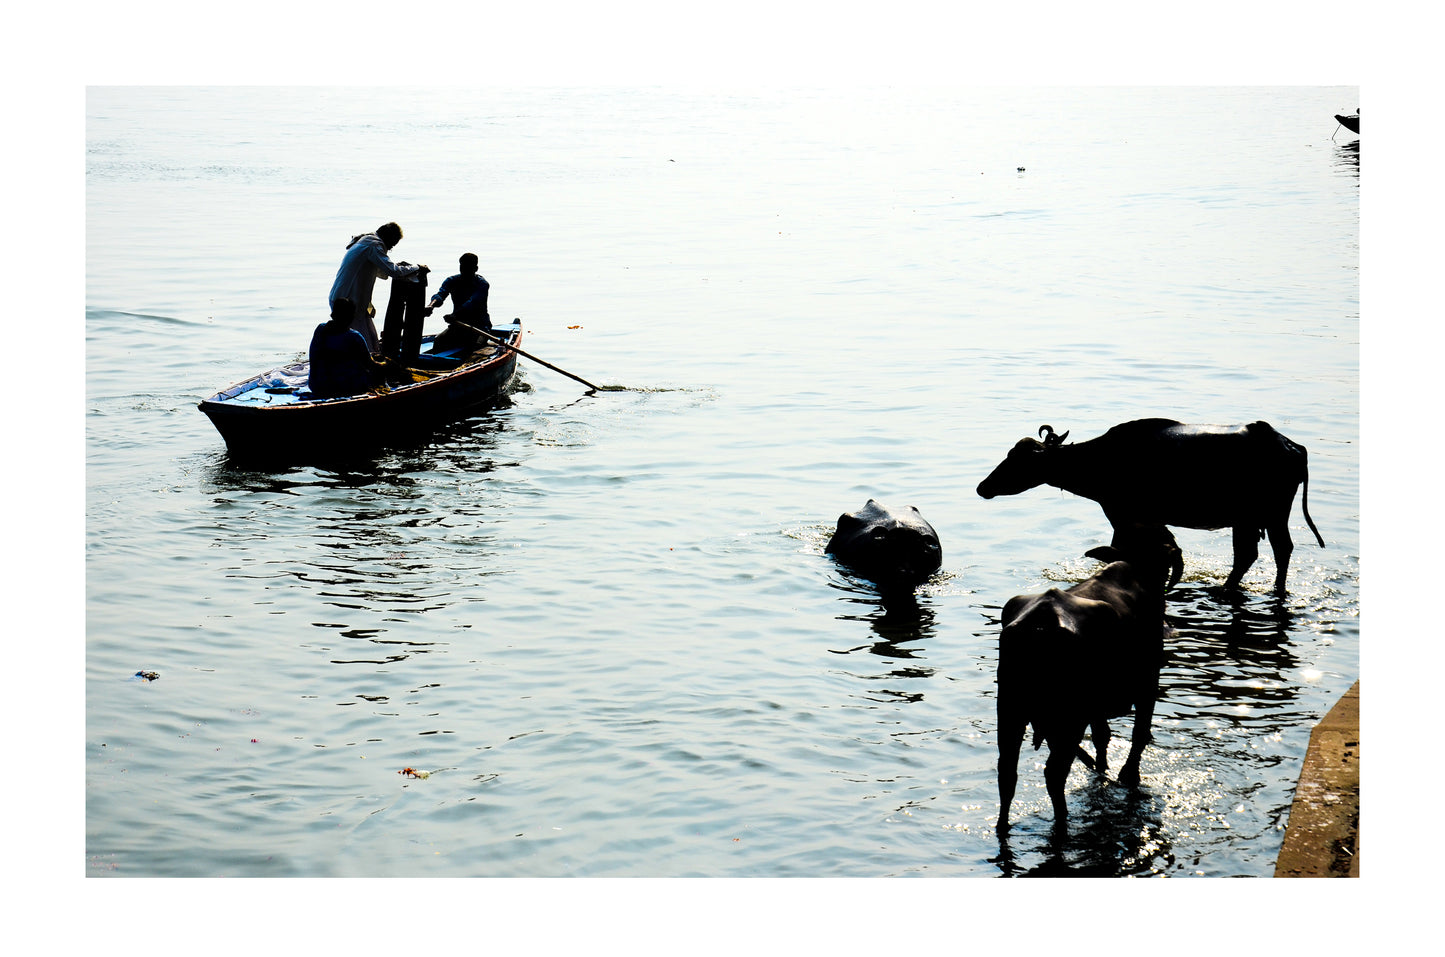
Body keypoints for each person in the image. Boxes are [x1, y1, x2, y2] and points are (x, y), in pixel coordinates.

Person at [328, 222, 427, 352]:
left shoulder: (366, 241)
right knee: (364, 347)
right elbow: (393, 272)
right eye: (391, 245)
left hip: (351, 301)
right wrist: (417, 267)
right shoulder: (374, 245)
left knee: (372, 340)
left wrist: (398, 266)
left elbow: (382, 271)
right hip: (347, 304)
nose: (389, 249)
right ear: (388, 238)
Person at [308, 298, 394, 398]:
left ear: (333, 314)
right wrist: (387, 366)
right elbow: (370, 365)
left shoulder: (320, 329)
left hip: (316, 385)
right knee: (378, 375)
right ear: (351, 317)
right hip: (342, 387)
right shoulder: (354, 337)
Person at [425, 252, 491, 353]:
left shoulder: (482, 284)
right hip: (458, 326)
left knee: (475, 347)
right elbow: (440, 295)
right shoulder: (451, 281)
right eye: (462, 267)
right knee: (439, 341)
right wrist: (431, 306)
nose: (464, 270)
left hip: (480, 327)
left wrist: (455, 315)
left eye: (468, 268)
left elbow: (472, 303)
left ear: (475, 269)